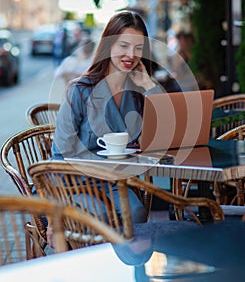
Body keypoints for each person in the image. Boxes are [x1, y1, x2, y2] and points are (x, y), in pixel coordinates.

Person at [51, 11, 164, 223]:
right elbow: (59, 154)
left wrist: (149, 86)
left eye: (138, 48)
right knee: (100, 216)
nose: (131, 54)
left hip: (115, 182)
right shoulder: (79, 90)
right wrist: (56, 209)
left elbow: (163, 133)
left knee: (137, 212)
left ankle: (122, 256)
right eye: (124, 45)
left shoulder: (137, 93)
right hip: (76, 182)